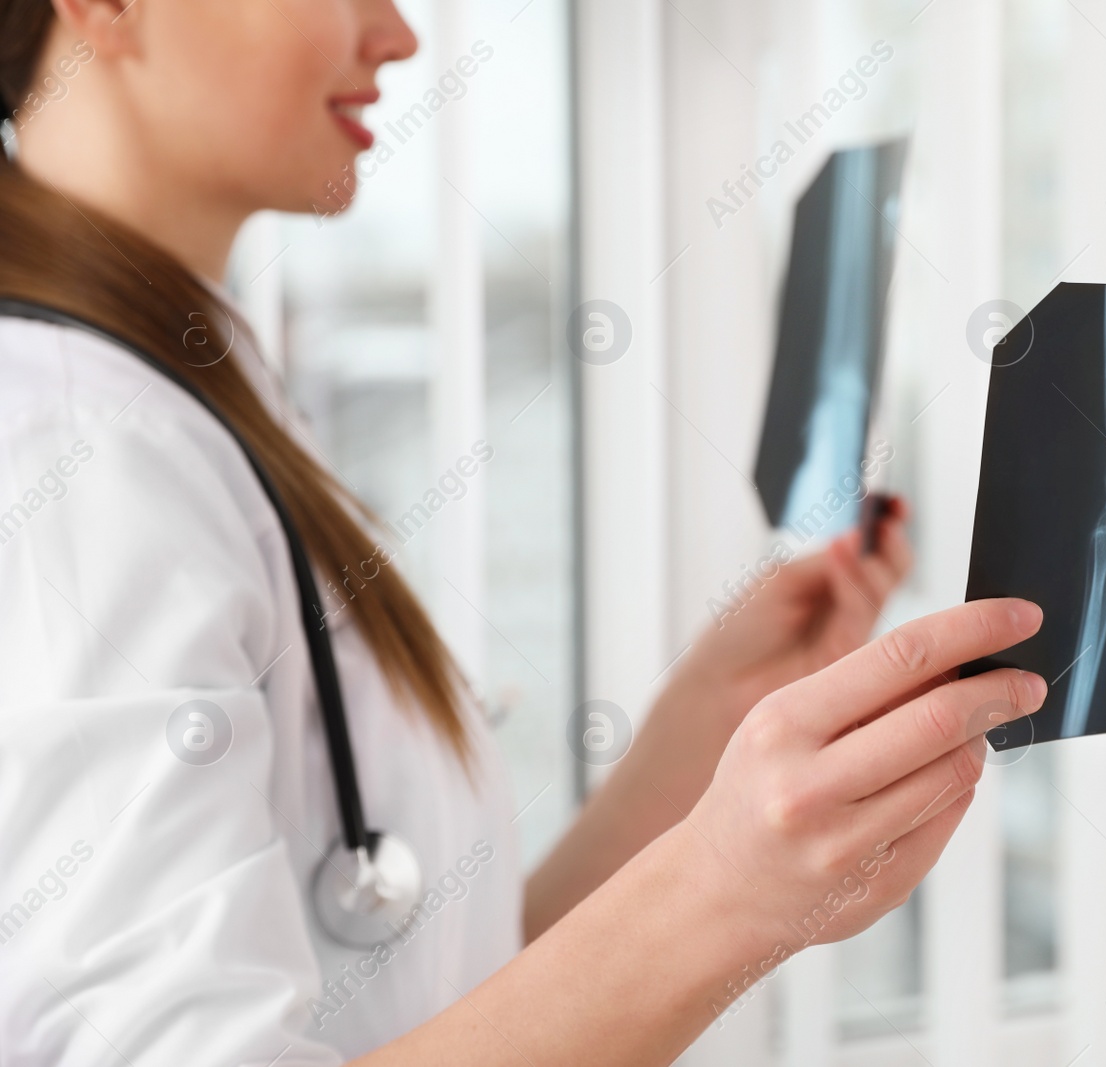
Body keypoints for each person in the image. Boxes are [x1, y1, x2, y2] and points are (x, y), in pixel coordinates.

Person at [0, 0, 1046, 1063]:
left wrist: (688, 754)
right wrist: (721, 902)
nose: (398, 34)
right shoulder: (68, 441)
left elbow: (429, 997)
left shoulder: (182, 381)